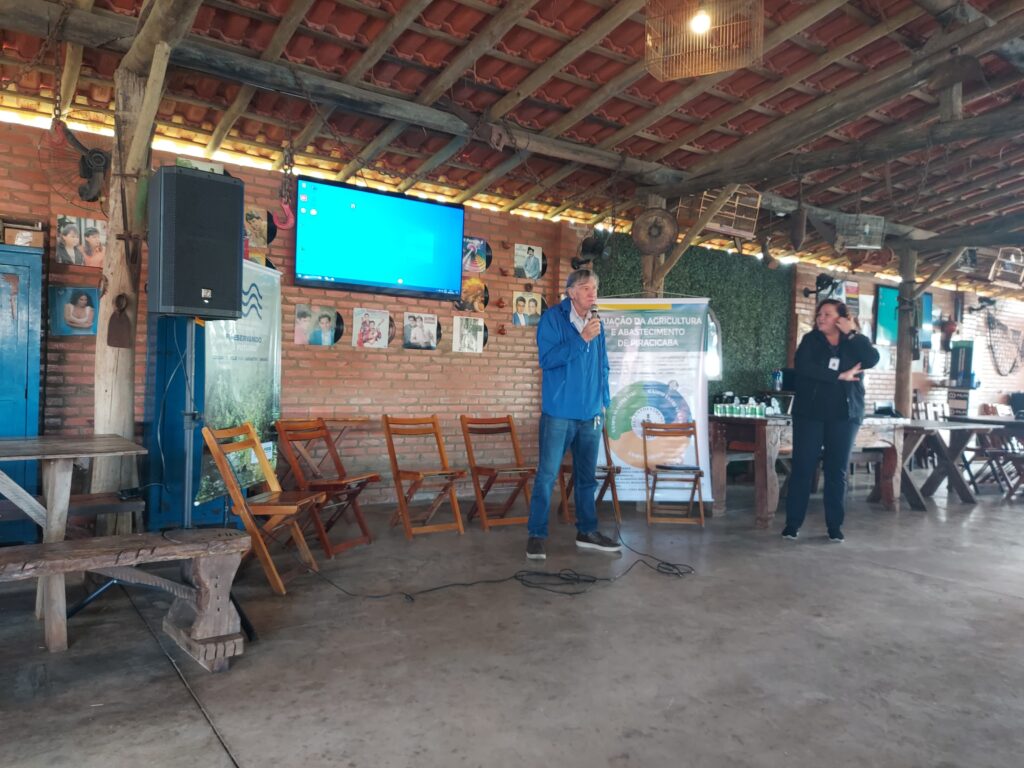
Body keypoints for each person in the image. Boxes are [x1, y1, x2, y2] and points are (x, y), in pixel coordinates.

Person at [525, 269, 620, 560]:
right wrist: (581, 339)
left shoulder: (596, 323)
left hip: (591, 414)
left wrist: (603, 402)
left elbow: (603, 365)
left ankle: (587, 531)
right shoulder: (553, 319)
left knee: (586, 477)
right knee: (547, 476)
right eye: (585, 287)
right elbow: (547, 360)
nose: (592, 292)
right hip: (559, 413)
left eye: (595, 287)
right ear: (571, 292)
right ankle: (537, 535)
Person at [782, 299, 880, 543]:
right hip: (810, 415)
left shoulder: (853, 342)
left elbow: (872, 359)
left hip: (845, 416)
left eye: (827, 314)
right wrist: (838, 376)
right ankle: (792, 525)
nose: (821, 318)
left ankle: (834, 526)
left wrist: (853, 334)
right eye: (819, 314)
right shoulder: (810, 341)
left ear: (841, 318)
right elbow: (804, 368)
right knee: (803, 469)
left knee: (836, 472)